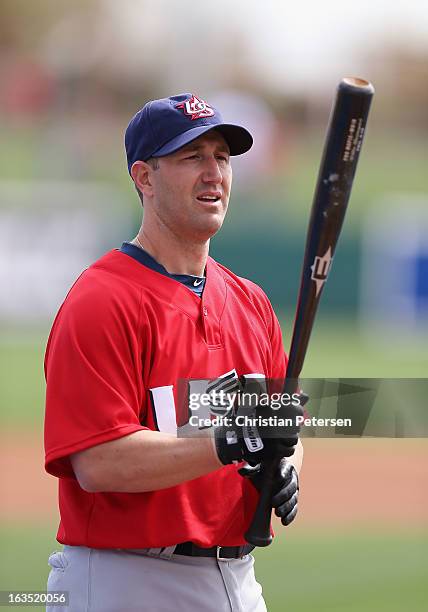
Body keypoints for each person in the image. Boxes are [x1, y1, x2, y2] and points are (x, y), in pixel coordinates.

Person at [44, 92, 304, 612]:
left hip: (238, 578)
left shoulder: (251, 303)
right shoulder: (102, 299)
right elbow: (99, 461)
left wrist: (285, 464)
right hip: (127, 580)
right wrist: (230, 442)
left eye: (222, 158)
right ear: (144, 177)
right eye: (192, 157)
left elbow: (276, 422)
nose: (214, 174)